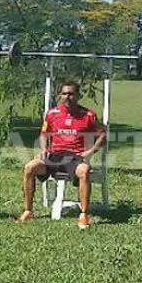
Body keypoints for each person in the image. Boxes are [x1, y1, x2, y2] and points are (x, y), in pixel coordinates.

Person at [18, 80, 106, 229]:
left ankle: (84, 215)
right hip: (53, 157)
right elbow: (44, 134)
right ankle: (28, 211)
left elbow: (103, 135)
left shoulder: (88, 115)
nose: (67, 97)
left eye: (71, 94)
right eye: (64, 94)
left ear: (78, 95)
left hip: (74, 158)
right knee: (29, 167)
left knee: (84, 171)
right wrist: (44, 150)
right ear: (60, 95)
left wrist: (90, 151)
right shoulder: (52, 114)